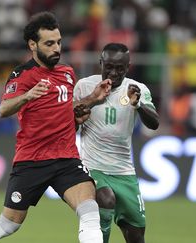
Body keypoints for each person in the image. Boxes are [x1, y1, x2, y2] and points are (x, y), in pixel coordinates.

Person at [0, 11, 111, 243]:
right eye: (49, 44)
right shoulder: (22, 74)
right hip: (32, 161)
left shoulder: (67, 73)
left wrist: (91, 100)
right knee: (7, 225)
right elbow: (3, 109)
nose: (56, 48)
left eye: (58, 42)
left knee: (90, 211)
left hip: (66, 158)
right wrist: (27, 96)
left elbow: (65, 108)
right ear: (33, 45)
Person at [73, 43, 159, 243]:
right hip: (92, 168)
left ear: (128, 67)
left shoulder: (137, 90)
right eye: (109, 66)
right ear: (100, 63)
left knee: (136, 235)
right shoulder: (85, 87)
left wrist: (137, 105)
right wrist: (83, 112)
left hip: (124, 172)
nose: (113, 72)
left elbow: (154, 123)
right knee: (105, 198)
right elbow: (70, 125)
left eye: (120, 68)